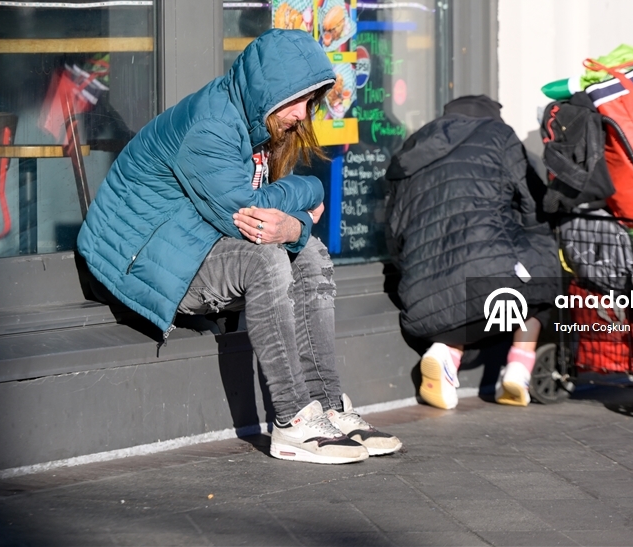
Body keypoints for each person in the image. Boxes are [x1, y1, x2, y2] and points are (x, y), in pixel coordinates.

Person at [77, 29, 401, 464]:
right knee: (266, 259)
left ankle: (325, 407)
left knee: (310, 253)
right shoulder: (211, 126)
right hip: (139, 262)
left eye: (311, 102)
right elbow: (250, 216)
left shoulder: (249, 120)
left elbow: (264, 215)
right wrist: (308, 196)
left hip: (188, 243)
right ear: (269, 91)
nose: (302, 115)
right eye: (296, 101)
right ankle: (292, 421)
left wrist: (295, 229)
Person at [385, 95, 561, 409]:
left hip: (421, 304)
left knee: (460, 292)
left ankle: (445, 353)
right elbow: (533, 205)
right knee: (542, 270)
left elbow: (394, 234)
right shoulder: (499, 135)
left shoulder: (412, 147)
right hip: (487, 293)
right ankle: (518, 368)